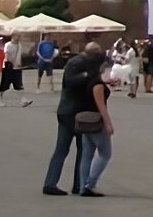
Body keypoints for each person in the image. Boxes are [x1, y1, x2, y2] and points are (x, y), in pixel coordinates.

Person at [44, 44, 103, 195]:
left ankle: (77, 183)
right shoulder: (77, 63)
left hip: (75, 112)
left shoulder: (85, 63)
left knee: (79, 150)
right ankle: (53, 184)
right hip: (72, 112)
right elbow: (70, 81)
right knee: (65, 149)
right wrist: (87, 75)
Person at [72, 50, 116, 198]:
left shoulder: (85, 80)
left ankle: (83, 185)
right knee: (105, 153)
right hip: (96, 120)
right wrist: (108, 123)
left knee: (87, 154)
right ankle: (90, 184)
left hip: (84, 119)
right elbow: (100, 105)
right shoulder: (97, 84)